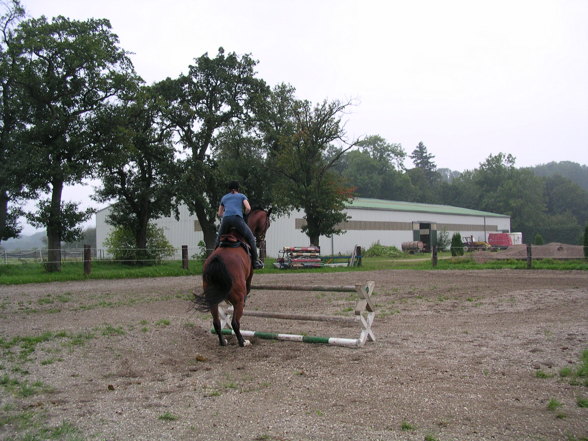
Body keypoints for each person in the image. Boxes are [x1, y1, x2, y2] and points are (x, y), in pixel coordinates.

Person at [215, 181, 264, 269]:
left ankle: (213, 258)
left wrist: (226, 214)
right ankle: (255, 262)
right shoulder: (242, 196)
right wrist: (245, 214)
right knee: (251, 238)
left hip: (226, 220)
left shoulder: (224, 198)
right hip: (237, 219)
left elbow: (219, 214)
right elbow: (248, 208)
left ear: (229, 189)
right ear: (238, 189)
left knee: (218, 238)